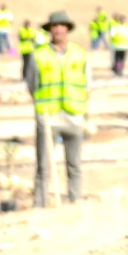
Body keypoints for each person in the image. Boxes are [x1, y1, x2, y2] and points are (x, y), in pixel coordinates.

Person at [28, 11, 90, 208]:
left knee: (75, 165)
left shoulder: (79, 54)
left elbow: (87, 83)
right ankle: (40, 205)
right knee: (44, 166)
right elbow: (32, 85)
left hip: (74, 114)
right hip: (48, 115)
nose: (58, 30)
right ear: (49, 30)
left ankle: (75, 201)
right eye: (54, 26)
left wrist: (82, 109)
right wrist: (41, 107)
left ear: (67, 29)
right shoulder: (38, 55)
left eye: (61, 26)